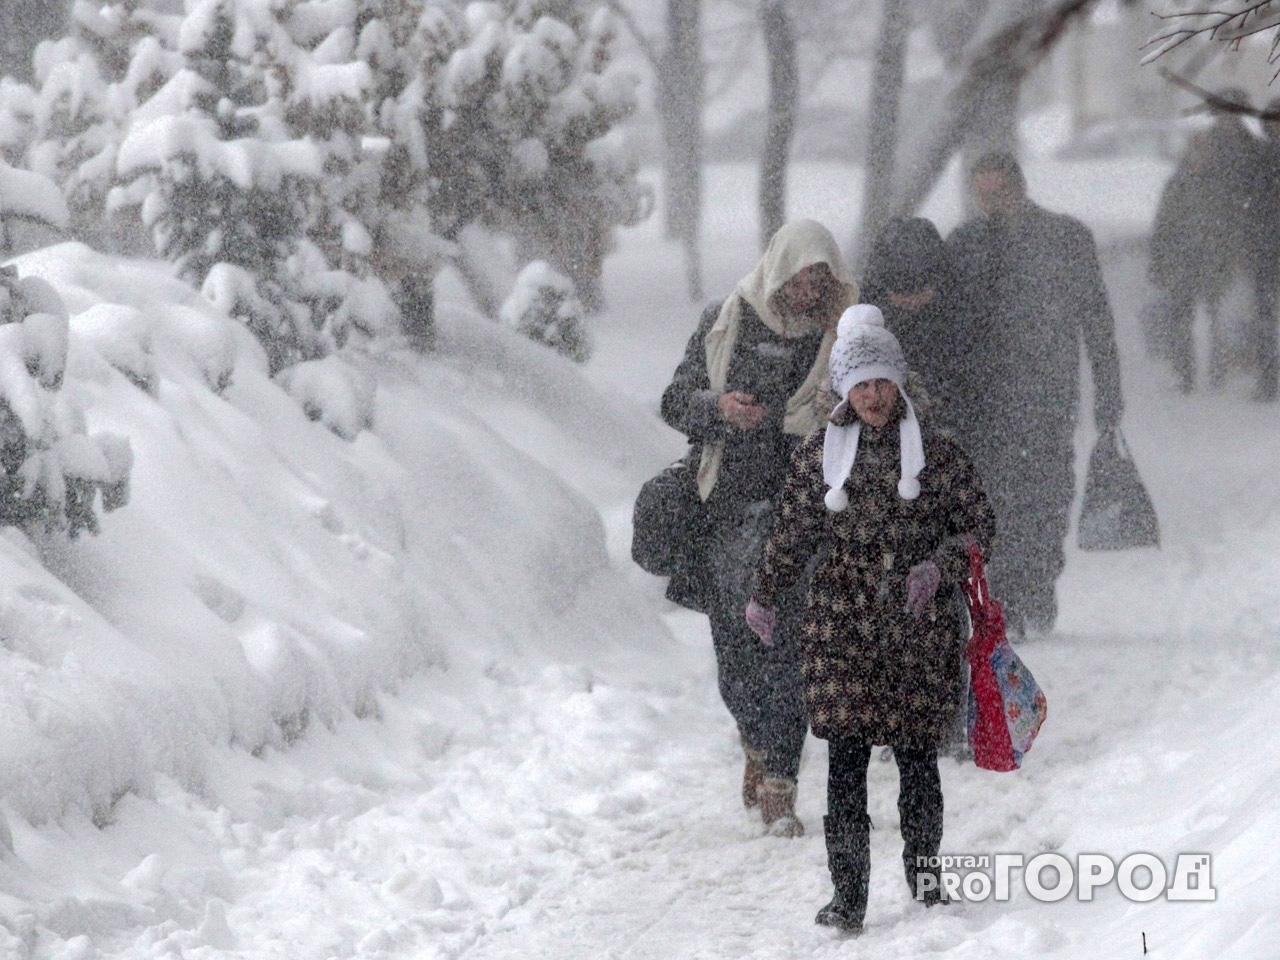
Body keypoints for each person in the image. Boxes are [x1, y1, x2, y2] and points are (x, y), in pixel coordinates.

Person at [746, 305, 995, 933]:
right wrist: (765, 592)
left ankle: (926, 878)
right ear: (842, 389)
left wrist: (938, 565)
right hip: (841, 621)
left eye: (882, 382)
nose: (874, 396)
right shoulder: (817, 457)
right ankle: (848, 894)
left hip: (918, 623)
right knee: (847, 761)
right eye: (861, 385)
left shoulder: (937, 454)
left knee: (916, 758)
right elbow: (793, 531)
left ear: (898, 381)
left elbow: (978, 525)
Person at [660, 219, 858, 837]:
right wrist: (718, 409)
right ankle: (754, 738)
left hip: (803, 513)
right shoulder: (728, 320)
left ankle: (781, 781)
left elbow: (874, 405)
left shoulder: (841, 334)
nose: (807, 293)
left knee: (789, 646)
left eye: (819, 281)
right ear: (778, 271)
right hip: (727, 510)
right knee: (736, 651)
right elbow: (674, 400)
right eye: (800, 279)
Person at [946, 151, 1124, 639]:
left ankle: (1036, 587)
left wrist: (1109, 393)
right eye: (983, 196)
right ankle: (1007, 595)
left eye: (998, 193)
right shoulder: (963, 245)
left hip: (1046, 395)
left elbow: (1097, 320)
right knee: (993, 501)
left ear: (1020, 187)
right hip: (983, 400)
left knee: (1044, 498)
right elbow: (947, 325)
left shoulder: (1065, 240)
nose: (992, 204)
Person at [1148, 88, 1263, 393]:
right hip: (1188, 259)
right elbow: (1164, 225)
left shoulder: (1234, 168)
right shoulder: (1180, 184)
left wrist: (1241, 248)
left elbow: (1238, 215)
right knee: (1183, 317)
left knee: (1218, 318)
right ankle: (1188, 374)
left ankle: (1216, 371)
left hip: (1216, 257)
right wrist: (1159, 261)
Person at [861, 217, 969, 431]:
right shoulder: (865, 321)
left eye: (920, 291)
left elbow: (969, 387)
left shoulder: (961, 318)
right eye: (900, 292)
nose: (910, 301)